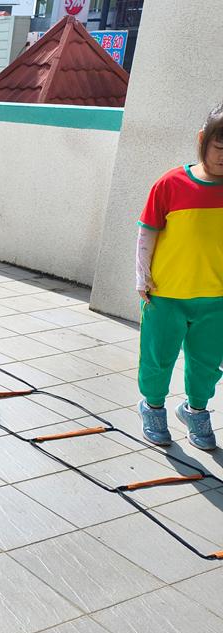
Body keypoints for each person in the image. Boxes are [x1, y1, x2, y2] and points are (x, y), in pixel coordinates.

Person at [136, 103, 223, 451]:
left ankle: (195, 410)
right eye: (219, 147)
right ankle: (152, 406)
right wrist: (142, 276)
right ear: (202, 140)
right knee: (158, 357)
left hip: (215, 298)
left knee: (207, 363)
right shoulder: (170, 184)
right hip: (166, 294)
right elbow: (147, 231)